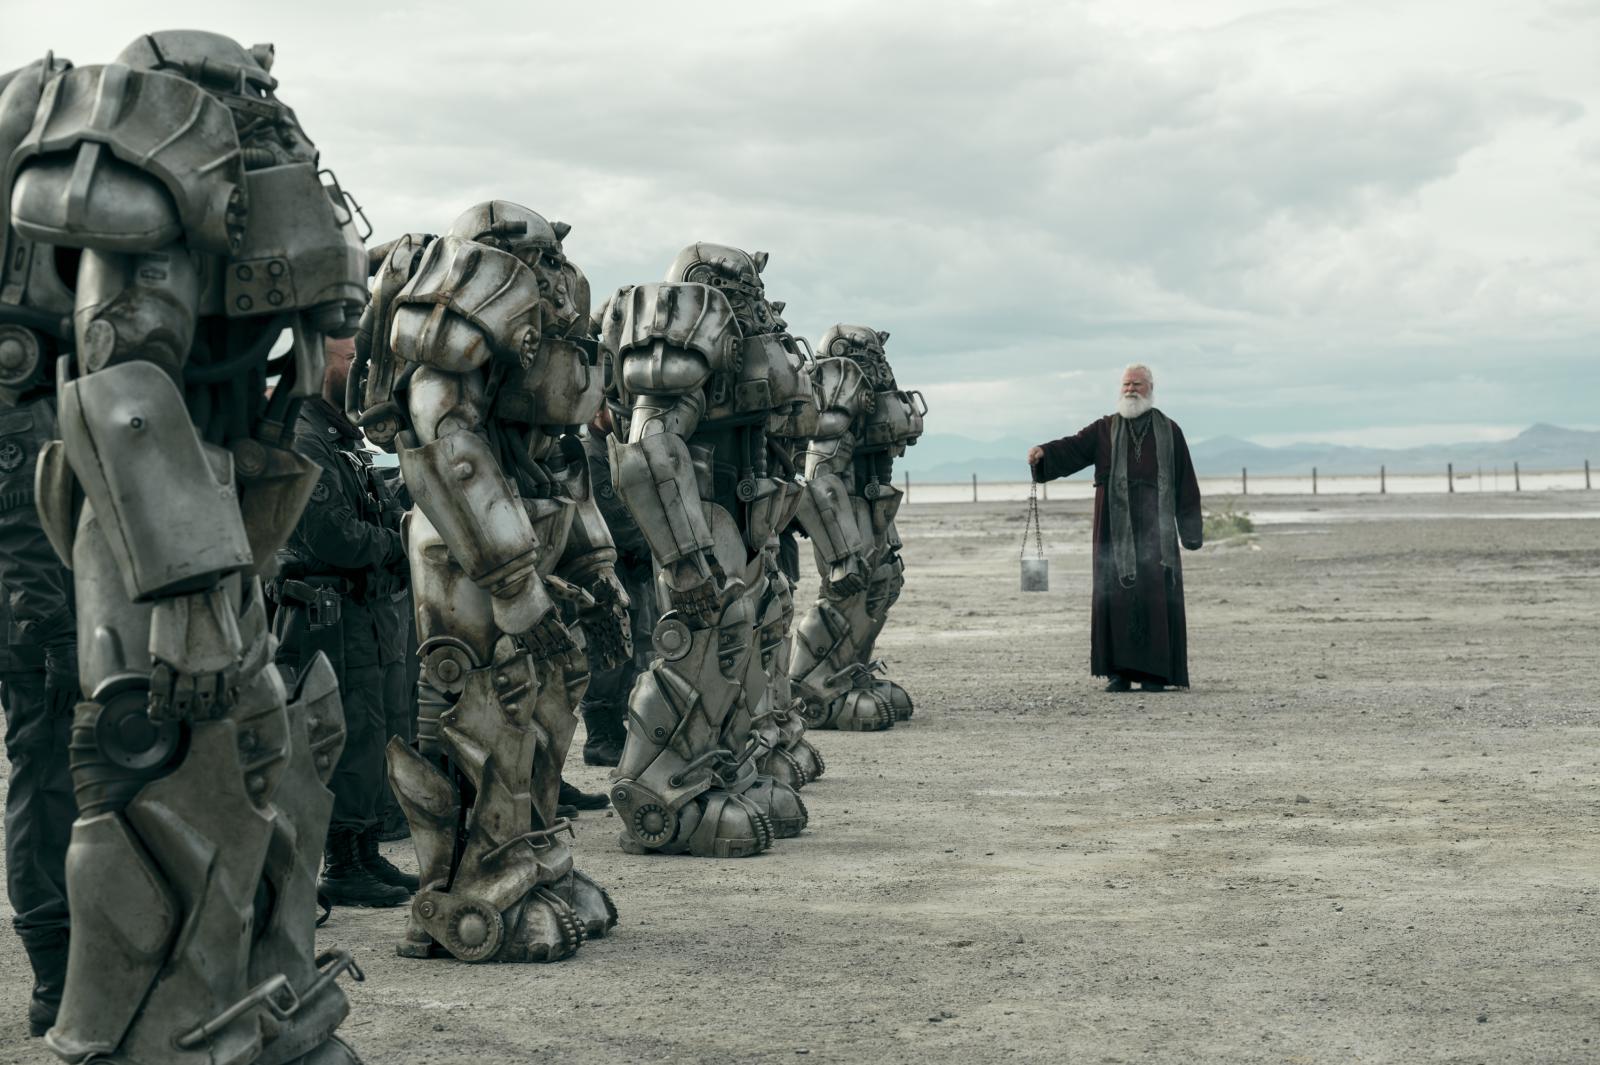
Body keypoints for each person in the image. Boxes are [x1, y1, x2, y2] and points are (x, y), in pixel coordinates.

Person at [275, 335, 416, 908]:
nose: (359, 368)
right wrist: (400, 544)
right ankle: (342, 863)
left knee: (374, 735)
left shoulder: (341, 435)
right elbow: (332, 536)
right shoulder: (303, 435)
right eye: (349, 358)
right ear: (316, 361)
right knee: (345, 738)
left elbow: (377, 510)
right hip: (330, 617)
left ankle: (364, 851)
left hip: (364, 613)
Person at [1027, 363, 1203, 692]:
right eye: (1126, 384)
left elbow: (1185, 481)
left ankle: (1155, 674)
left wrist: (1190, 532)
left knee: (1155, 598)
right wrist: (1044, 454)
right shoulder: (1104, 429)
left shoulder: (1171, 431)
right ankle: (1119, 673)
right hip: (1112, 531)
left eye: (1137, 384)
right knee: (1115, 597)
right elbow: (1073, 448)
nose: (1130, 390)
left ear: (1151, 389)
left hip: (1156, 532)